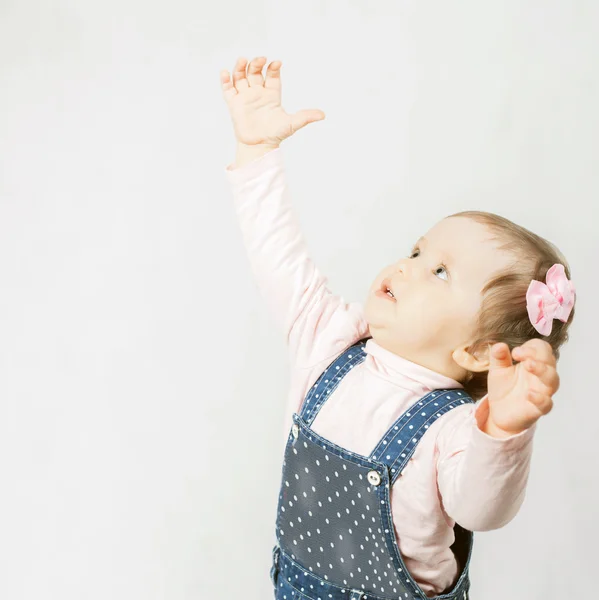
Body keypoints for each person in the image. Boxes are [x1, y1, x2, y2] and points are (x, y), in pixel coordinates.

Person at [219, 56, 576, 600]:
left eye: (439, 271)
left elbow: (482, 507)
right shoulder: (327, 337)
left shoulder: (454, 428)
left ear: (479, 349)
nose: (407, 265)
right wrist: (256, 152)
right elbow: (277, 253)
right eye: (416, 250)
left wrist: (503, 431)